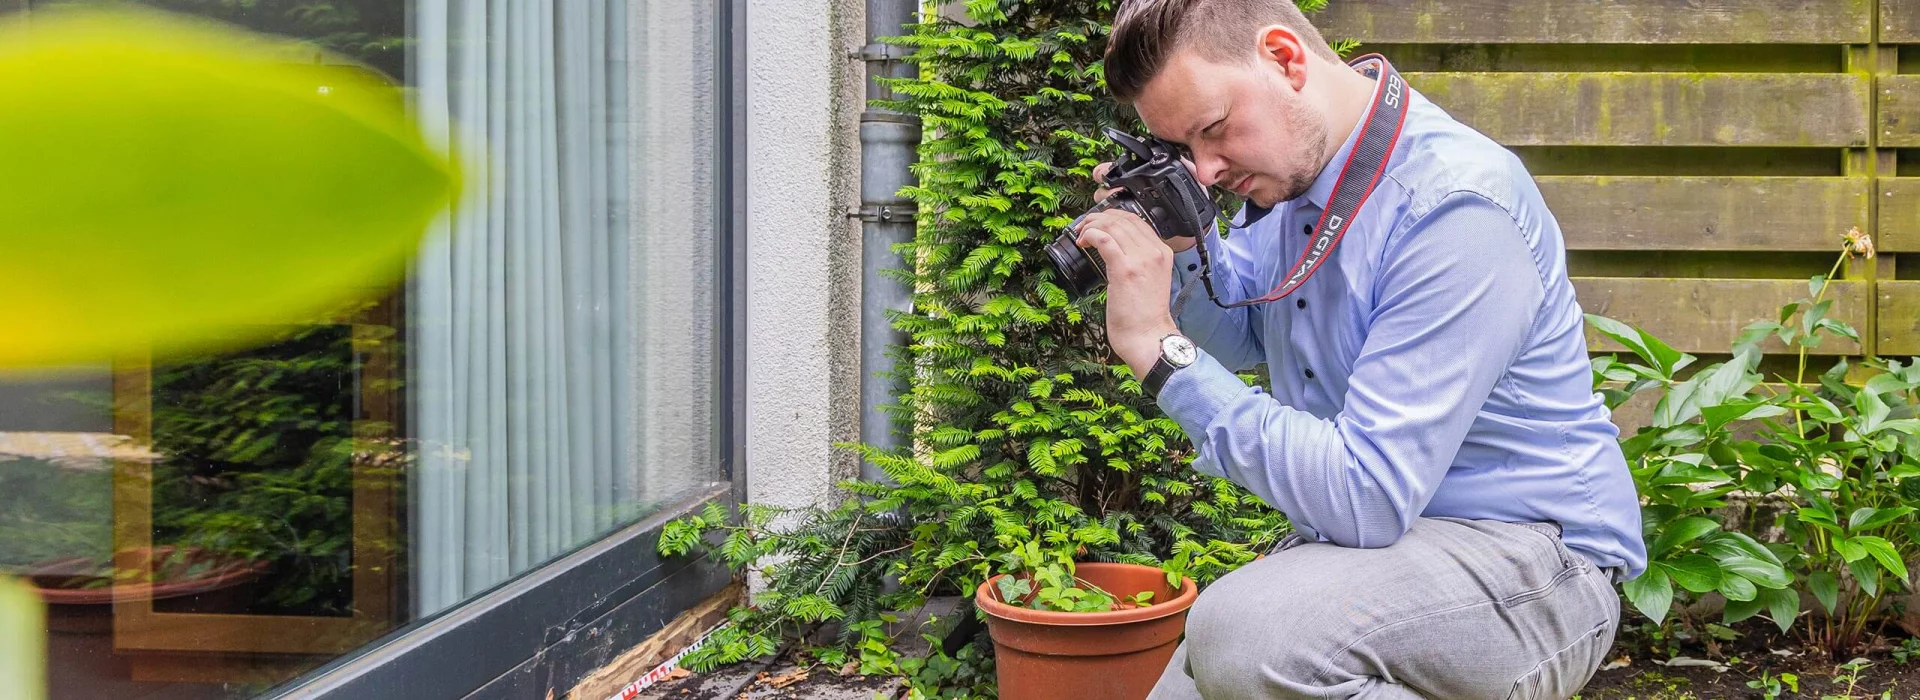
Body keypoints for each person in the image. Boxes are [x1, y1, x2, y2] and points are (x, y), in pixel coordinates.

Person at [1068, 1, 1649, 698]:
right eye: (1186, 153)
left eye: (1215, 131)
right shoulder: (1297, 174)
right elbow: (1244, 332)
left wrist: (1158, 350)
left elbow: (1364, 494)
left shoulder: (1454, 207)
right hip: (1380, 553)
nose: (1210, 171)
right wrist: (1183, 250)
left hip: (1530, 556)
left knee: (1246, 632)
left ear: (1285, 58)